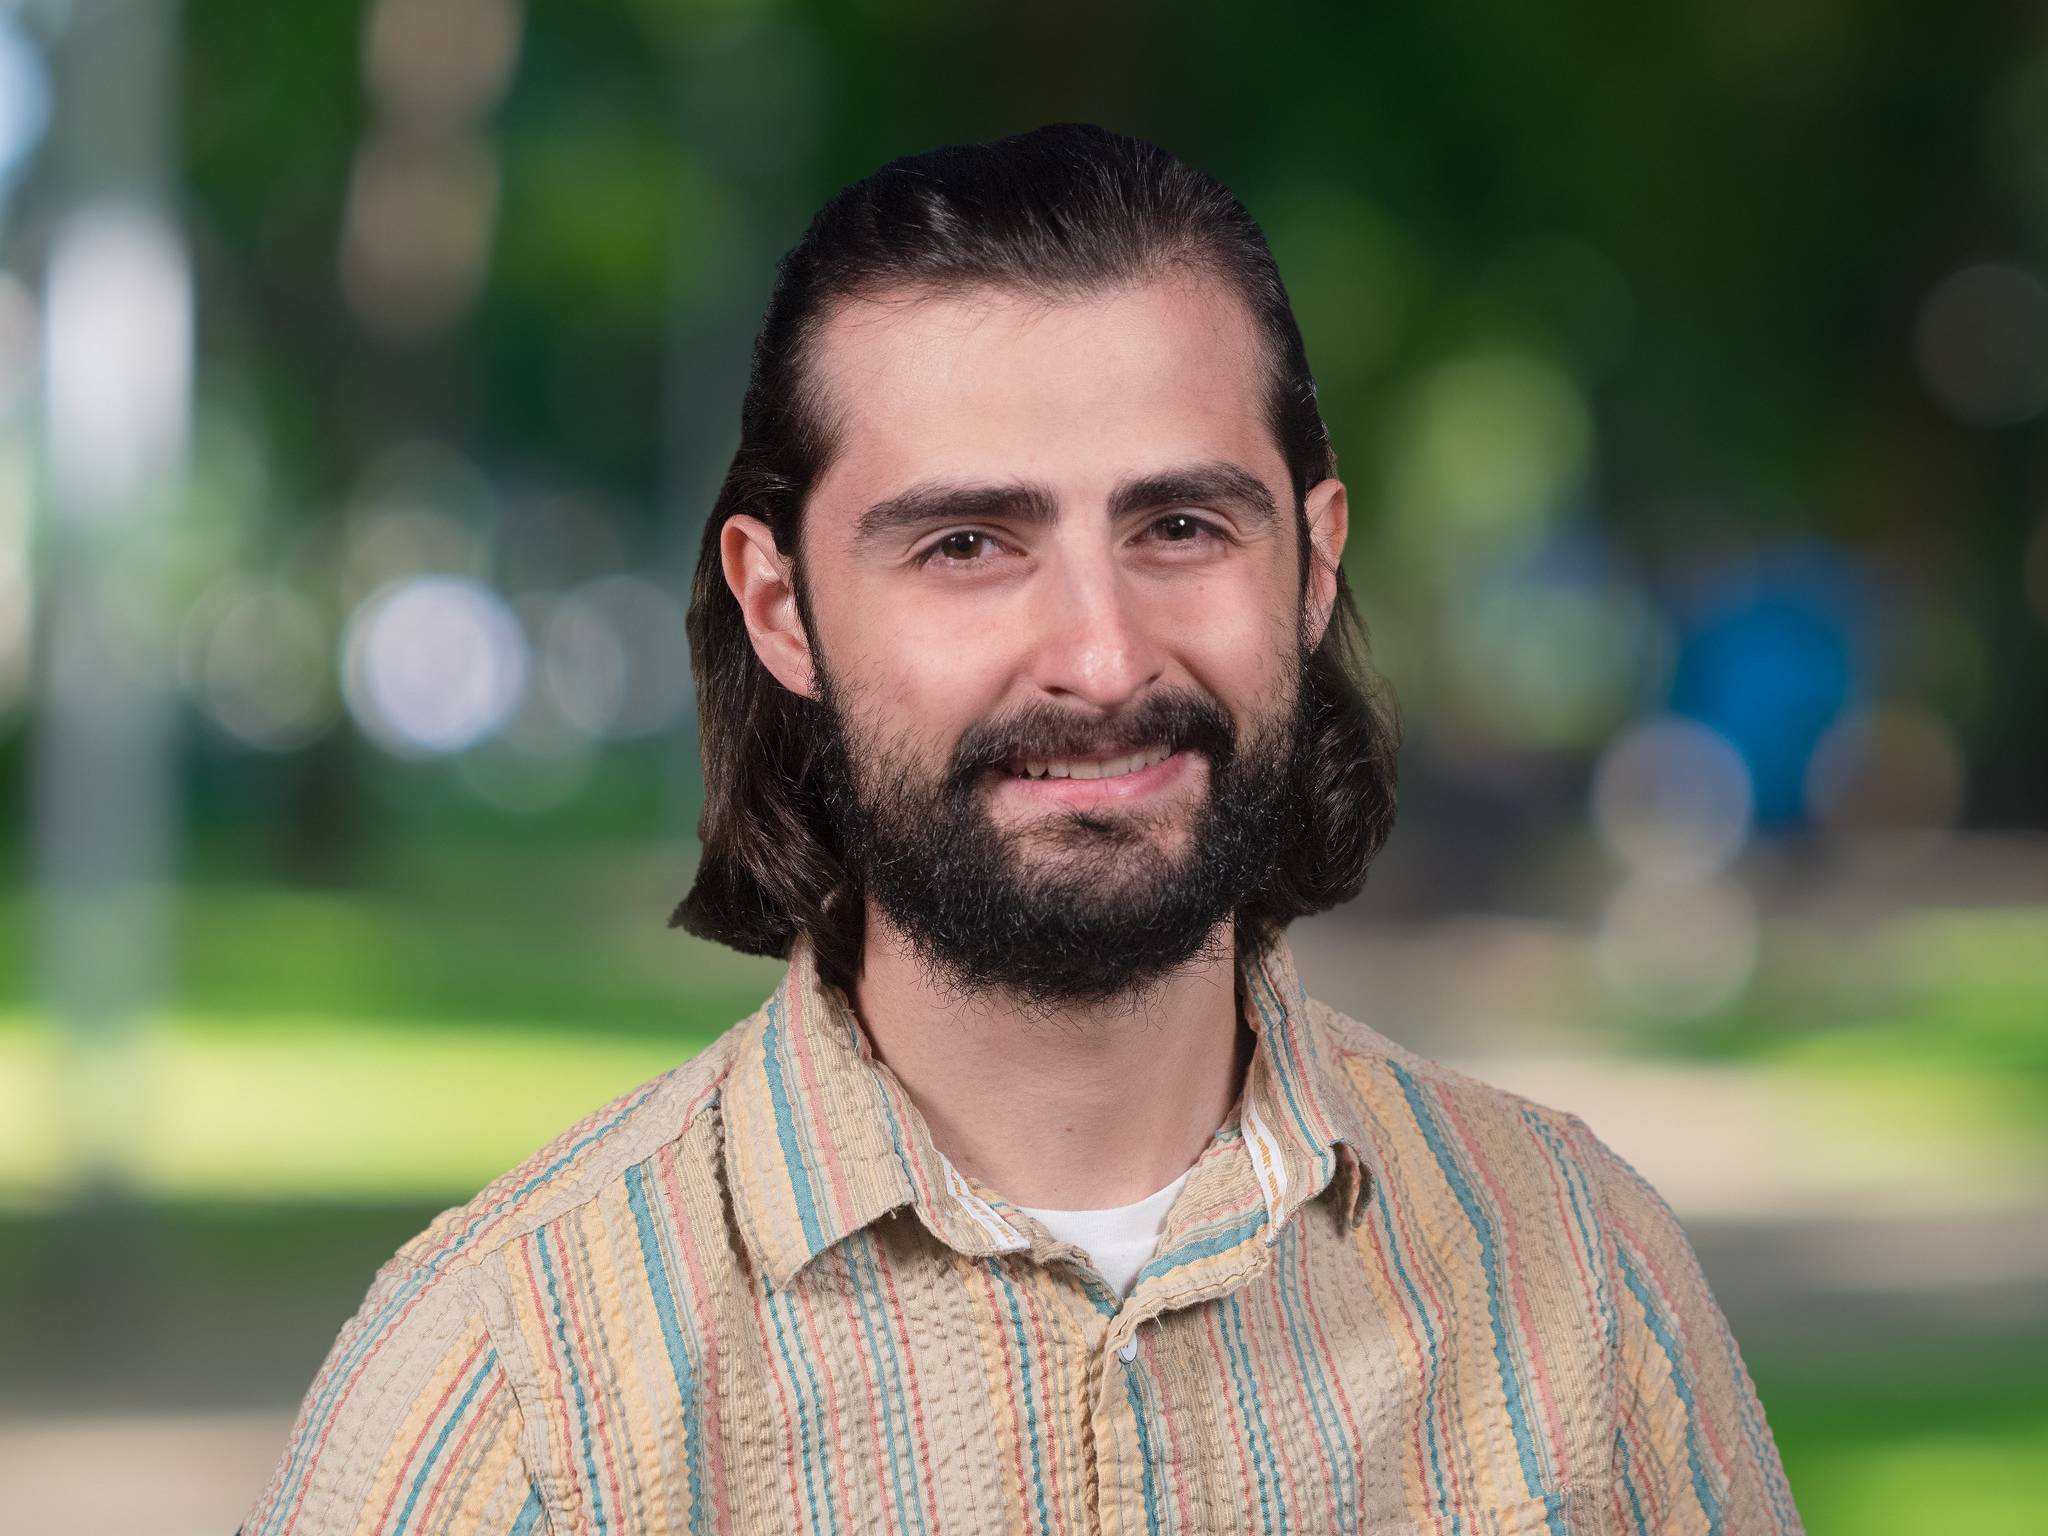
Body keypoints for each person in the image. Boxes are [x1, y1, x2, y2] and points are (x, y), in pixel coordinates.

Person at [241, 122, 1803, 1535]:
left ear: (1313, 568)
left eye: (1180, 528)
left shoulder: (1582, 1280)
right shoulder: (509, 1389)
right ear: (780, 603)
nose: (1104, 658)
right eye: (970, 544)